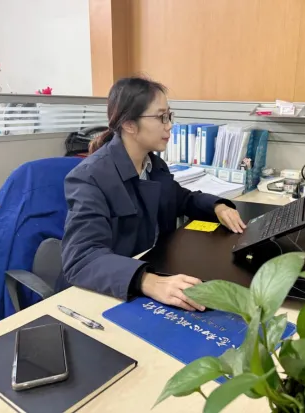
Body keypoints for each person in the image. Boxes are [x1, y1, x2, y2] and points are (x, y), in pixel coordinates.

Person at [60, 77, 246, 312]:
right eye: (161, 117)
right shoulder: (90, 177)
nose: (169, 126)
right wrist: (148, 281)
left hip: (154, 269)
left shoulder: (153, 166)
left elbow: (182, 199)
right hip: (112, 290)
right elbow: (81, 258)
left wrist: (217, 206)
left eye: (169, 116)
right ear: (129, 124)